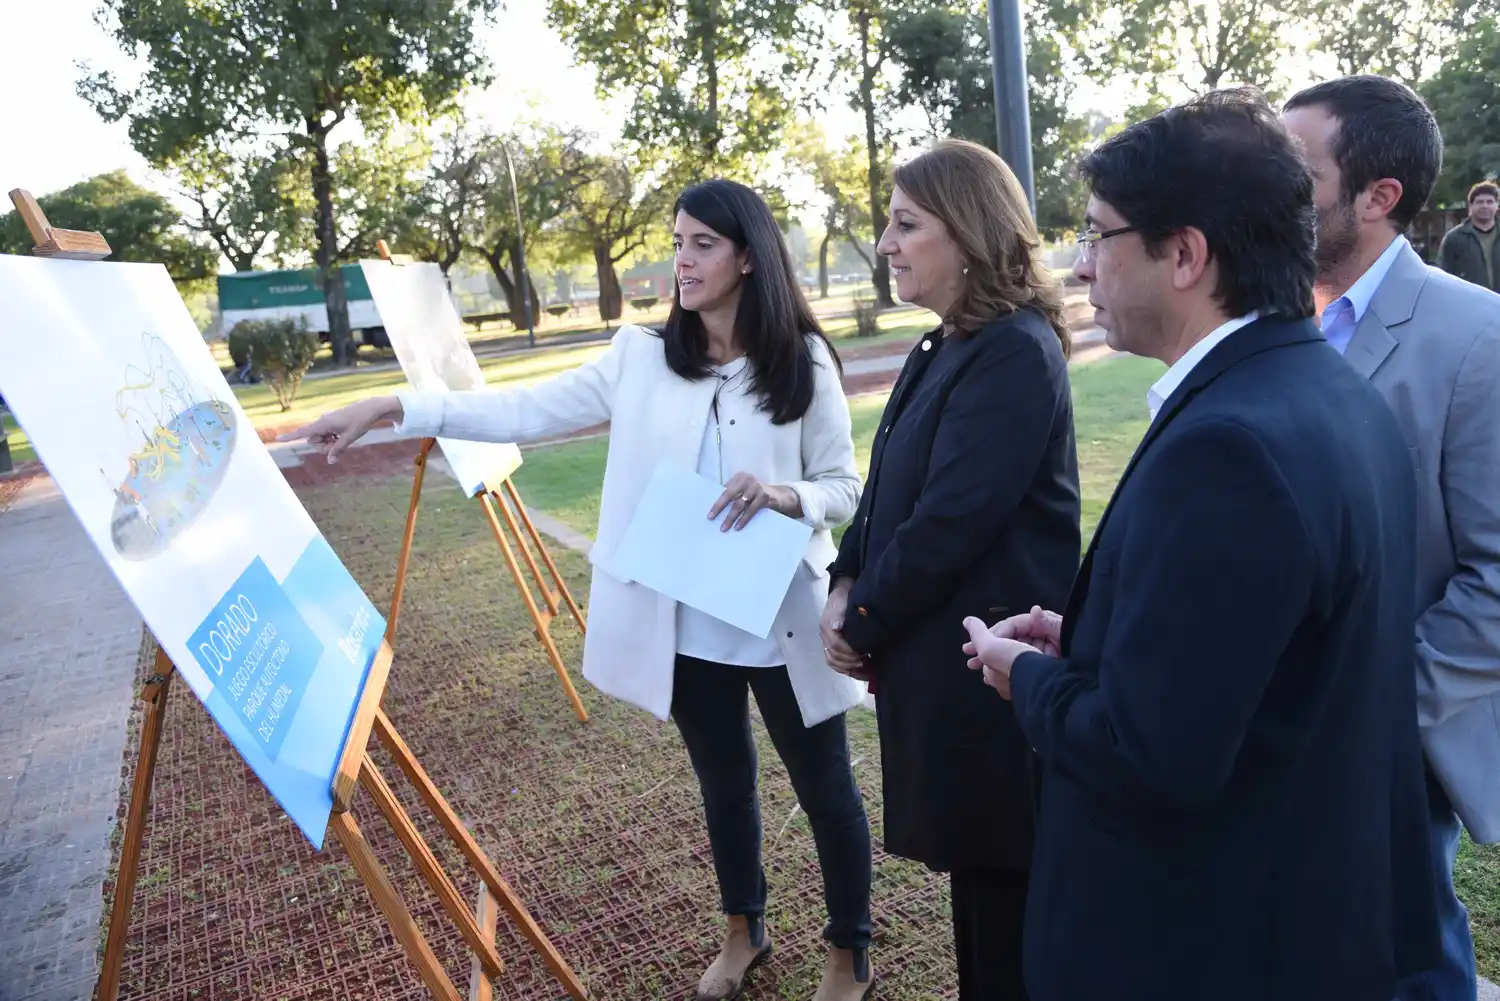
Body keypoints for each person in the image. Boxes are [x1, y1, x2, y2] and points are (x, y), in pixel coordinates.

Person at [282, 179, 876, 1001]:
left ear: (748, 257)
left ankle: (849, 951)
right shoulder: (640, 357)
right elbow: (520, 409)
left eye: (703, 244)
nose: (683, 260)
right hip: (686, 627)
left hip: (783, 621)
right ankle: (744, 929)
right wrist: (393, 405)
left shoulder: (802, 360)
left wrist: (786, 495)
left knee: (826, 791)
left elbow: (844, 486)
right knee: (724, 786)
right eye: (677, 242)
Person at [960, 89, 1440, 1001]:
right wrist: (1095, 643)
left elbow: (1151, 756)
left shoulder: (1229, 446)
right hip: (1306, 917)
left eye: (1098, 234)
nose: (1081, 265)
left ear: (1184, 254)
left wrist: (1028, 678)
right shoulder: (1331, 392)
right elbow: (1267, 661)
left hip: (1204, 943)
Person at [820, 138, 1080, 1000]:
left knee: (1004, 897)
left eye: (907, 224)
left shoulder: (1015, 349)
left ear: (968, 234)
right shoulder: (947, 344)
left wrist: (863, 624)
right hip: (949, 669)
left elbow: (951, 520)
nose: (886, 244)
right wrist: (844, 581)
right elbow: (884, 490)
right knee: (979, 884)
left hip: (991, 672)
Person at [1282, 74, 1500, 1001]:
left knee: (1409, 961)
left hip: (1389, 744)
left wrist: (1376, 707)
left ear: (1379, 197)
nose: (1269, 193)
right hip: (1268, 728)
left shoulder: (1477, 335)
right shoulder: (1267, 319)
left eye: (1296, 174)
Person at [1438, 181, 1500, 291]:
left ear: (1496, 206)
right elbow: (1444, 277)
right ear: (1471, 206)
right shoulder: (1454, 238)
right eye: (1480, 202)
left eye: (1490, 202)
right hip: (1469, 300)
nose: (1485, 206)